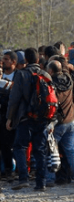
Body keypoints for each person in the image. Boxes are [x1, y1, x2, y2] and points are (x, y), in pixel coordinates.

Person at [7, 48, 51, 191]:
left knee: (19, 147)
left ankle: (24, 178)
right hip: (42, 118)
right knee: (40, 150)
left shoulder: (21, 74)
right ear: (38, 60)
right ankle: (41, 183)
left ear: (25, 59)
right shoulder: (46, 74)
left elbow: (14, 98)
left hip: (25, 117)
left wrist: (10, 118)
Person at [46, 60, 74, 188]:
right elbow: (66, 69)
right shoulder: (68, 79)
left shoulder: (52, 86)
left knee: (51, 150)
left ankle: (50, 179)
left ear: (50, 71)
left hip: (59, 122)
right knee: (71, 150)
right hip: (71, 120)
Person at [0, 51, 17, 182]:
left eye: (6, 59)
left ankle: (12, 170)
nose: (3, 61)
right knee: (5, 145)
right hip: (4, 117)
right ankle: (7, 171)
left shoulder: (15, 79)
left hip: (10, 118)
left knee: (11, 145)